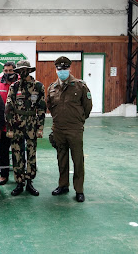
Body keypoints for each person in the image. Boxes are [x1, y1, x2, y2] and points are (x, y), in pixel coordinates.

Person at [46, 56, 92, 203]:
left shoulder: (80, 86)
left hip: (74, 129)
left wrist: (79, 120)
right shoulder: (52, 87)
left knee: (78, 159)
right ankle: (63, 185)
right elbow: (50, 106)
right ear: (56, 70)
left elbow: (88, 106)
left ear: (69, 69)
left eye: (65, 68)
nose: (62, 71)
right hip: (58, 128)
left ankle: (79, 190)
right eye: (59, 69)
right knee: (62, 158)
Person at [5, 60, 46, 196]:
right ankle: (19, 182)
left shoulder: (38, 86)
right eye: (20, 71)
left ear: (29, 71)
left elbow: (41, 109)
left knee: (31, 153)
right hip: (16, 124)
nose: (22, 73)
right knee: (17, 153)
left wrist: (40, 128)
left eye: (25, 70)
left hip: (32, 124)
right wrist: (9, 128)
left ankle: (29, 182)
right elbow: (8, 108)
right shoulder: (14, 87)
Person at [0, 61, 18, 185]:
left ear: (15, 71)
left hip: (18, 126)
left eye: (11, 70)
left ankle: (19, 176)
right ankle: (4, 175)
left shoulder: (20, 84)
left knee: (18, 152)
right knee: (3, 152)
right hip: (3, 126)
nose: (8, 73)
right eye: (6, 70)